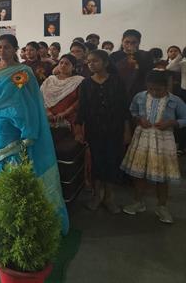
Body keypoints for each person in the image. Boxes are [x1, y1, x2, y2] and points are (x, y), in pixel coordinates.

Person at [0, 34, 68, 234]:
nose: (2, 51)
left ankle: (11, 214)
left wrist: (25, 126)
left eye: (7, 47)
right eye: (0, 47)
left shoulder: (23, 72)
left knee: (10, 167)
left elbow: (26, 101)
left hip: (11, 126)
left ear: (16, 49)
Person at [120, 70, 186, 224]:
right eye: (151, 89)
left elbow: (185, 117)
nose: (154, 92)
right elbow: (132, 111)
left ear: (167, 87)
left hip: (164, 141)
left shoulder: (175, 101)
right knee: (139, 173)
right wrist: (138, 119)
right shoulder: (140, 97)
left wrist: (172, 122)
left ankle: (162, 206)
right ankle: (138, 202)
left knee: (162, 175)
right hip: (142, 137)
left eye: (159, 90)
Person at [75, 50, 131, 213]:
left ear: (105, 63)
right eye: (89, 61)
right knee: (96, 162)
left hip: (115, 129)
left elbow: (124, 108)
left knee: (112, 161)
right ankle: (96, 196)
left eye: (95, 61)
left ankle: (109, 197)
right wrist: (78, 129)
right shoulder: (86, 83)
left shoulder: (117, 81)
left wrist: (127, 130)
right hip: (94, 129)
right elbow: (82, 108)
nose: (91, 64)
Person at [41, 54, 84, 128]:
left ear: (73, 67)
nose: (63, 65)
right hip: (46, 117)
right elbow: (40, 97)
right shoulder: (50, 80)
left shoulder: (78, 81)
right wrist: (47, 112)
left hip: (69, 119)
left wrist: (65, 113)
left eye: (67, 64)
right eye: (61, 63)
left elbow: (80, 100)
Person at [110, 29, 154, 99]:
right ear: (122, 41)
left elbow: (148, 72)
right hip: (118, 89)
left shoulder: (146, 55)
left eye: (134, 42)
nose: (129, 45)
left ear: (139, 43)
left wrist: (135, 57)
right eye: (127, 42)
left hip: (139, 90)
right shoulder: (114, 55)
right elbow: (111, 72)